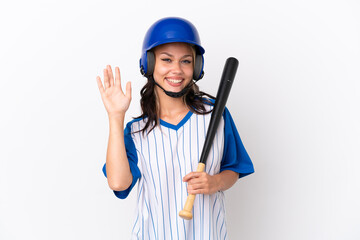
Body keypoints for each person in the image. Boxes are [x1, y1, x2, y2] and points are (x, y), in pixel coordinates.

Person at [96, 17, 254, 240]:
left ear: (197, 66)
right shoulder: (136, 130)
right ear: (150, 64)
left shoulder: (215, 115)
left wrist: (215, 182)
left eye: (186, 61)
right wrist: (115, 117)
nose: (176, 70)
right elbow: (118, 183)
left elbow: (234, 168)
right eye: (167, 60)